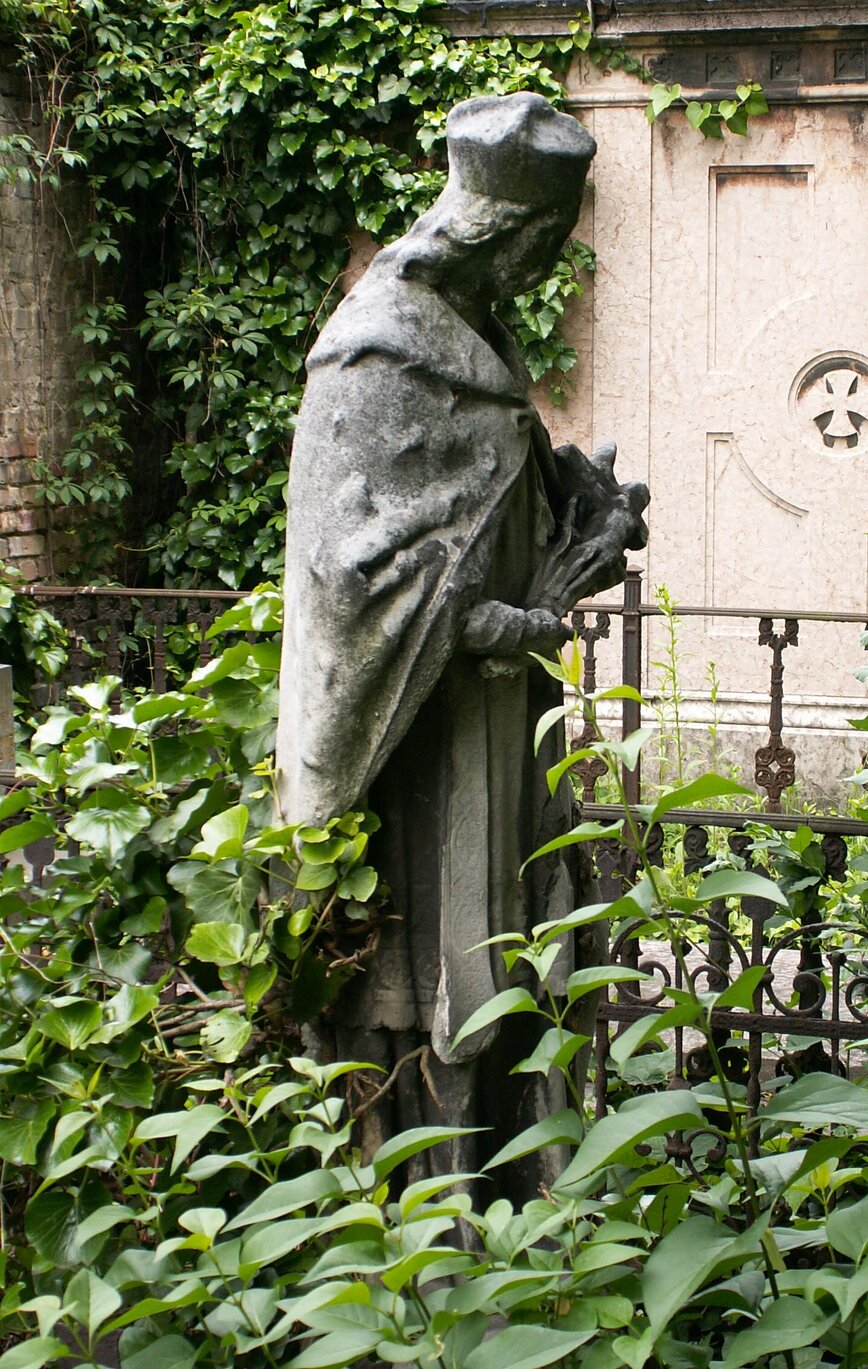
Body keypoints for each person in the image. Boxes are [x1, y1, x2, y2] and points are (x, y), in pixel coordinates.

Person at [276, 93, 648, 1188]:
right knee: (427, 960)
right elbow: (349, 571)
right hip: (419, 737)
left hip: (502, 715)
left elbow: (474, 490)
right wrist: (484, 620)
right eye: (551, 238)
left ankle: (508, 1186)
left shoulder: (478, 327)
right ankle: (424, 1206)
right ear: (511, 229)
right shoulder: (376, 354)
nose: (552, 260)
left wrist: (570, 500)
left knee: (507, 941)